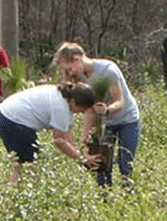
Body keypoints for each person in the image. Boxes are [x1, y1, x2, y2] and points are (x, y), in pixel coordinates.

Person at [56, 41, 141, 187]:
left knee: (125, 163)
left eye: (70, 69)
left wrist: (106, 110)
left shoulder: (107, 70)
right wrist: (85, 138)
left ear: (77, 59)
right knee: (101, 164)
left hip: (126, 119)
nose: (70, 74)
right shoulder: (79, 80)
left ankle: (127, 196)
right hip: (103, 124)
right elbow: (88, 110)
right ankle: (105, 198)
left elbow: (120, 101)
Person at [0, 82, 100, 184]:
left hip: (4, 116)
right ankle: (24, 197)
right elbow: (59, 140)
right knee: (29, 166)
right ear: (73, 101)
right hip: (15, 122)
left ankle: (13, 196)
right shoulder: (60, 107)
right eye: (81, 110)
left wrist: (78, 155)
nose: (80, 113)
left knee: (20, 164)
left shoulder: (63, 97)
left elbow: (67, 133)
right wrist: (81, 159)